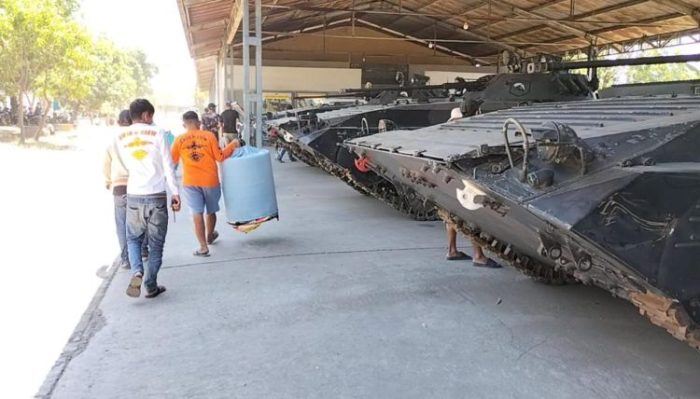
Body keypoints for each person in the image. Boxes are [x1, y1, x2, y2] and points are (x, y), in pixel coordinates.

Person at [112, 99, 180, 298]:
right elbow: (169, 166)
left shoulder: (119, 136)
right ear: (145, 115)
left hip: (134, 194)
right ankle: (151, 285)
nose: (152, 119)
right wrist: (175, 193)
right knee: (156, 244)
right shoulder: (158, 132)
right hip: (157, 195)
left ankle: (137, 272)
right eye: (151, 115)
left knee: (133, 239)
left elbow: (125, 163)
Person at [171, 111, 242, 257]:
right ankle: (210, 235)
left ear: (184, 124)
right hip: (210, 181)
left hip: (190, 182)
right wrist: (233, 145)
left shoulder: (179, 140)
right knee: (211, 211)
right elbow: (220, 157)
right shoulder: (209, 136)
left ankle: (203, 247)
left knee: (197, 213)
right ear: (198, 122)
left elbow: (172, 162)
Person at [443, 108, 500, 267]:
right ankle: (478, 255)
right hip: (466, 181)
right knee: (474, 217)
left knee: (451, 217)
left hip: (451, 182)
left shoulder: (445, 135)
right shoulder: (466, 135)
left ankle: (452, 250)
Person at [103, 110, 148, 269]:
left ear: (118, 122)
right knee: (141, 220)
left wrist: (108, 181)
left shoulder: (113, 140)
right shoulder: (139, 138)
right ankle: (143, 250)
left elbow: (106, 163)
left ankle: (125, 259)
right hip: (139, 185)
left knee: (122, 224)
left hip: (120, 188)